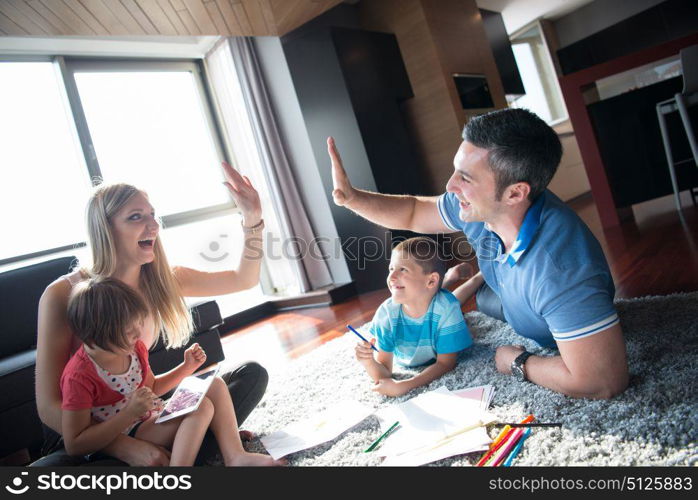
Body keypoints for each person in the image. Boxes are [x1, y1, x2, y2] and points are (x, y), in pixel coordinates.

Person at [329, 108, 629, 400]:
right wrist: (353, 199)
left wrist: (518, 361)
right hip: (506, 295)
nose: (450, 186)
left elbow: (602, 381)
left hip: (545, 312)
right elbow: (413, 212)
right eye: (456, 171)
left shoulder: (560, 271)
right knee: (484, 298)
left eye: (465, 178)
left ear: (514, 193)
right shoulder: (479, 207)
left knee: (500, 304)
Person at [36, 162, 269, 465]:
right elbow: (48, 406)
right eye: (136, 217)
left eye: (152, 215)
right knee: (49, 471)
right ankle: (201, 446)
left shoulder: (163, 279)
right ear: (106, 229)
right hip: (89, 436)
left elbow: (244, 279)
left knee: (248, 375)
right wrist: (125, 448)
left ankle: (203, 444)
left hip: (145, 416)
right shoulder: (64, 294)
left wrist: (253, 220)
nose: (154, 226)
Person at [61, 278, 282, 466]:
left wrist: (186, 368)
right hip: (126, 433)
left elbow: (152, 387)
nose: (138, 335)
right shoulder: (79, 376)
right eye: (129, 331)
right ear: (94, 336)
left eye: (138, 325)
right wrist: (128, 413)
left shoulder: (134, 349)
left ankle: (235, 455)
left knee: (213, 383)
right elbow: (75, 444)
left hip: (151, 416)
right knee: (201, 407)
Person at [355, 237, 472, 397]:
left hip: (439, 301)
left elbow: (446, 363)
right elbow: (384, 374)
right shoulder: (386, 314)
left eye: (403, 269)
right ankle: (449, 278)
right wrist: (368, 362)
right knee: (430, 295)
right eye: (391, 269)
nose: (392, 277)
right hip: (429, 291)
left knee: (452, 300)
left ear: (431, 279)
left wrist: (406, 385)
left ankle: (479, 277)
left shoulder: (447, 307)